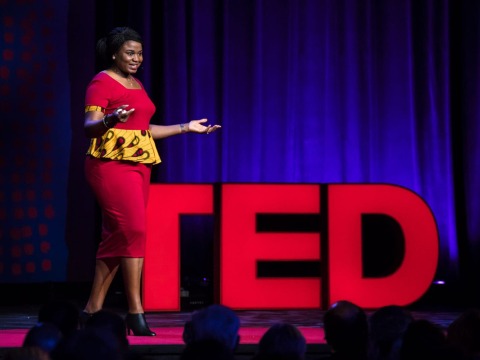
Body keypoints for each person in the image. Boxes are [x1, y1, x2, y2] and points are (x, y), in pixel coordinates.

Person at [82, 27, 221, 336]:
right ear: (115, 53)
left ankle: (91, 310)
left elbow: (143, 130)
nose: (137, 58)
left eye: (140, 53)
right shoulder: (101, 82)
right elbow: (90, 125)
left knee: (117, 237)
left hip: (139, 165)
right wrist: (110, 118)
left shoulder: (136, 84)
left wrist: (186, 127)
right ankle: (135, 311)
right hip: (110, 165)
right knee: (134, 230)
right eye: (130, 53)